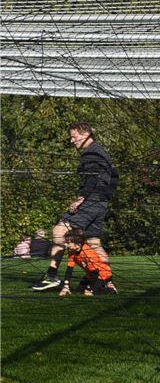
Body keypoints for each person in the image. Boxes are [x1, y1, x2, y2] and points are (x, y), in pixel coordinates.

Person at [32, 123, 118, 291]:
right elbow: (115, 176)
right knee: (94, 242)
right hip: (100, 203)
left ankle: (52, 276)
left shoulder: (91, 153)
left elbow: (92, 177)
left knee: (59, 231)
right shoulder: (101, 152)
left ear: (85, 134)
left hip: (91, 201)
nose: (72, 141)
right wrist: (105, 196)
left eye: (74, 136)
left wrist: (81, 198)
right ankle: (108, 282)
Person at [57, 228, 117, 296]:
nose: (66, 245)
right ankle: (101, 287)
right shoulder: (72, 252)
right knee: (79, 291)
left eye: (68, 243)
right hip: (90, 275)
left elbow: (95, 272)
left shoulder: (88, 252)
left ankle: (110, 289)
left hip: (102, 275)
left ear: (77, 244)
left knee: (88, 293)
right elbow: (69, 270)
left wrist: (90, 288)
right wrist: (66, 286)